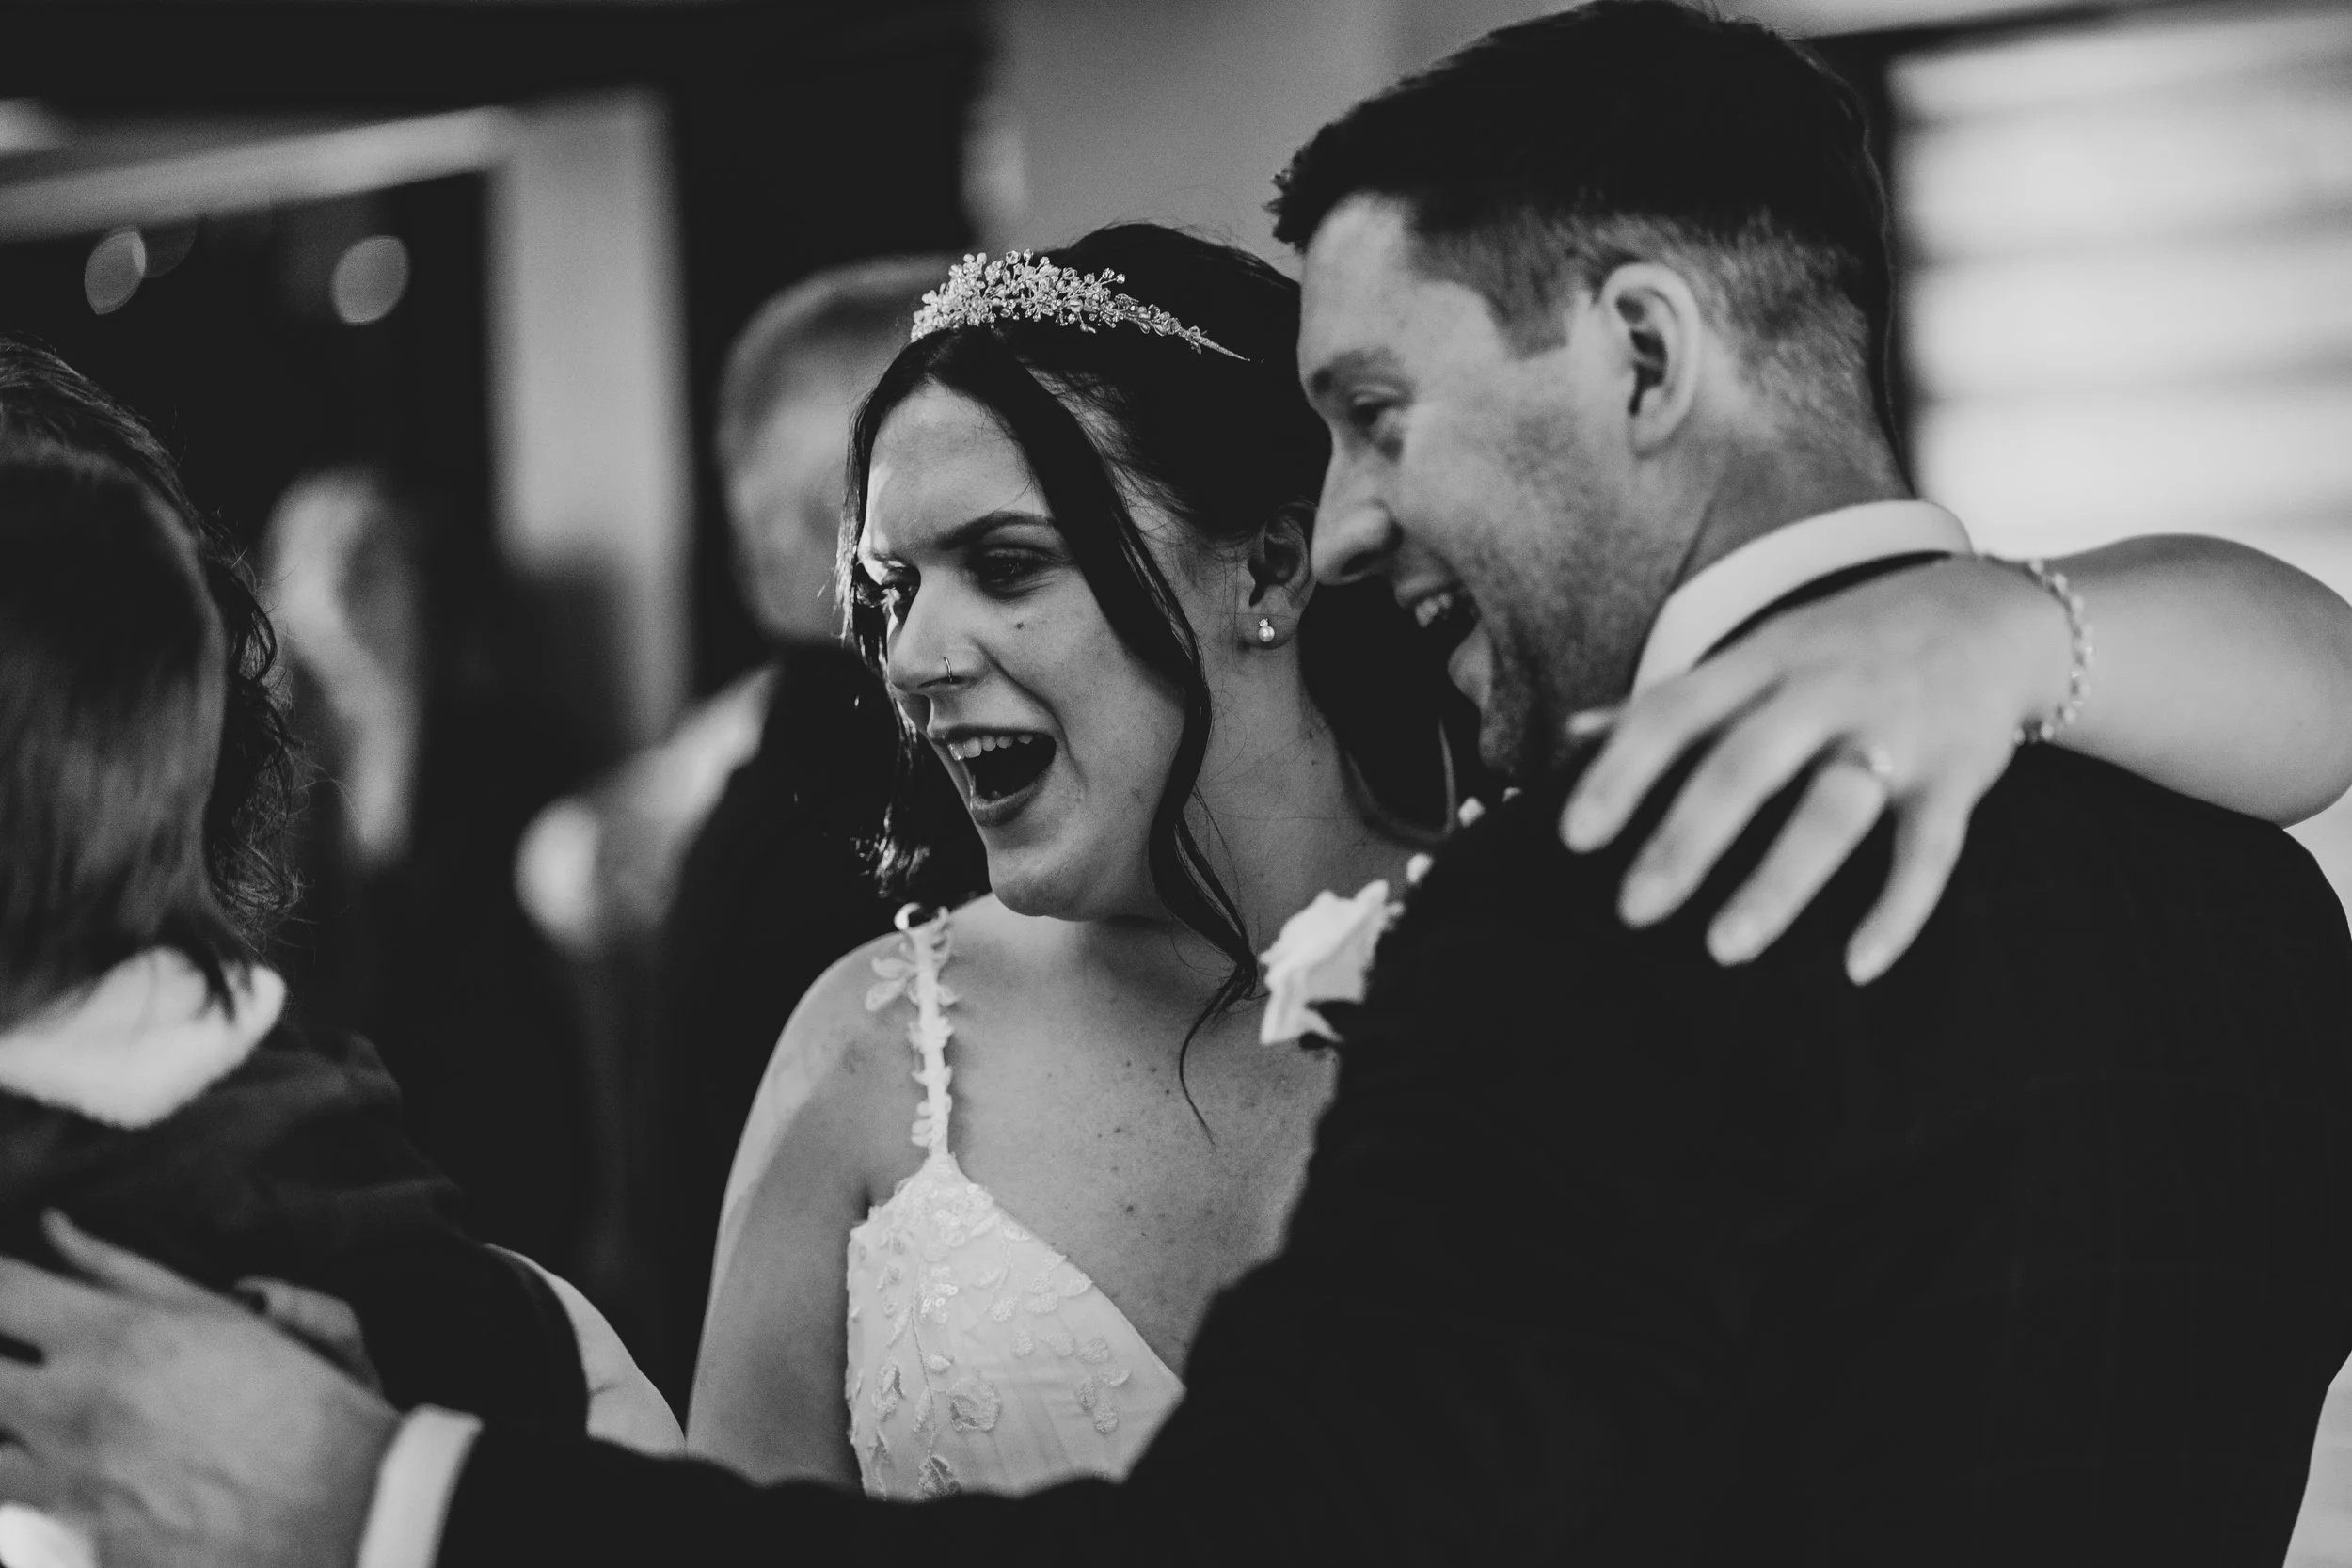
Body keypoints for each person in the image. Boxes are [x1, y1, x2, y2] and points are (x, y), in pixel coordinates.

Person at [1, 6, 2349, 1564]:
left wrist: (381, 1499)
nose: (1344, 522)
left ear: (1643, 351)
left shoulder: (1585, 917)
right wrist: (2019, 616)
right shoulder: (2246, 905)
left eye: (1377, 416)